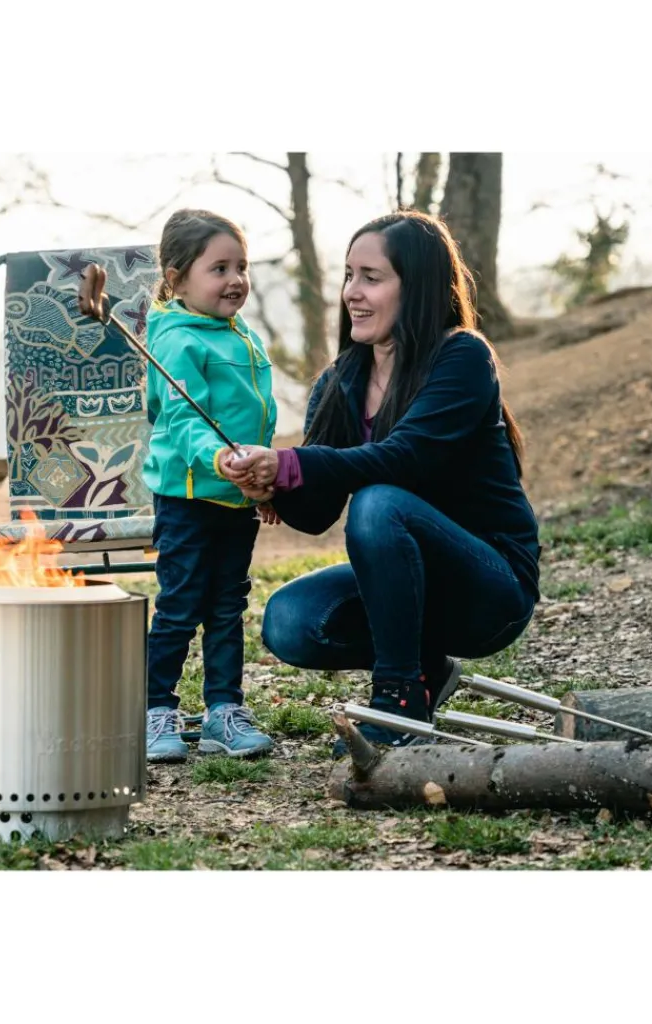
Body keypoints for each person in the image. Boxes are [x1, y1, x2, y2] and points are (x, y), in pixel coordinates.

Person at [220, 210, 540, 752]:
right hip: (407, 585)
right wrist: (267, 488)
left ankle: (397, 702)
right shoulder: (341, 379)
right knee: (290, 620)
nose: (353, 293)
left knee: (379, 503)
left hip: (489, 586)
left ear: (415, 287)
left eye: (372, 277)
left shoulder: (461, 357)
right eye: (349, 275)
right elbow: (317, 511)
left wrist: (291, 462)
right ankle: (424, 671)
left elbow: (405, 457)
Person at [79, 209, 278, 763]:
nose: (235, 279)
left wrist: (261, 486)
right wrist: (219, 456)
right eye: (219, 268)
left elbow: (254, 420)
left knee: (226, 607)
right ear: (176, 277)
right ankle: (154, 709)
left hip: (233, 497)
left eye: (241, 266)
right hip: (189, 497)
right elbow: (183, 422)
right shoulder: (175, 340)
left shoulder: (242, 336)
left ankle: (223, 711)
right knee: (181, 605)